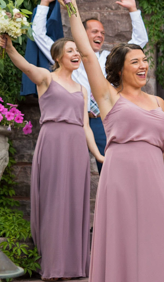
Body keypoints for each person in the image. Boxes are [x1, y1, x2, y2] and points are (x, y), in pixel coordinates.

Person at [57, 0, 164, 282]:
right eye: (136, 62)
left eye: (145, 61)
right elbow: (88, 54)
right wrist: (71, 5)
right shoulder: (108, 97)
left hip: (154, 177)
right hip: (121, 178)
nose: (143, 66)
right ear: (120, 70)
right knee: (124, 242)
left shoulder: (158, 103)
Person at [1, 35, 102, 281]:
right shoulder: (47, 78)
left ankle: (72, 266)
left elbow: (86, 126)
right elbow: (25, 67)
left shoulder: (82, 88)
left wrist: (99, 155)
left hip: (77, 146)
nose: (76, 53)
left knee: (75, 204)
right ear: (57, 57)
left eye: (77, 50)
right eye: (70, 50)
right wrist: (11, 48)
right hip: (53, 142)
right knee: (54, 202)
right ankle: (53, 266)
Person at [32, 0, 149, 173]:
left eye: (102, 33)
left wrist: (133, 9)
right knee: (67, 172)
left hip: (102, 121)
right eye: (95, 31)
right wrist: (44, 4)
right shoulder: (66, 55)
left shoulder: (110, 58)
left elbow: (140, 40)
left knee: (111, 169)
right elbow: (39, 35)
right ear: (82, 32)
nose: (100, 36)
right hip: (75, 122)